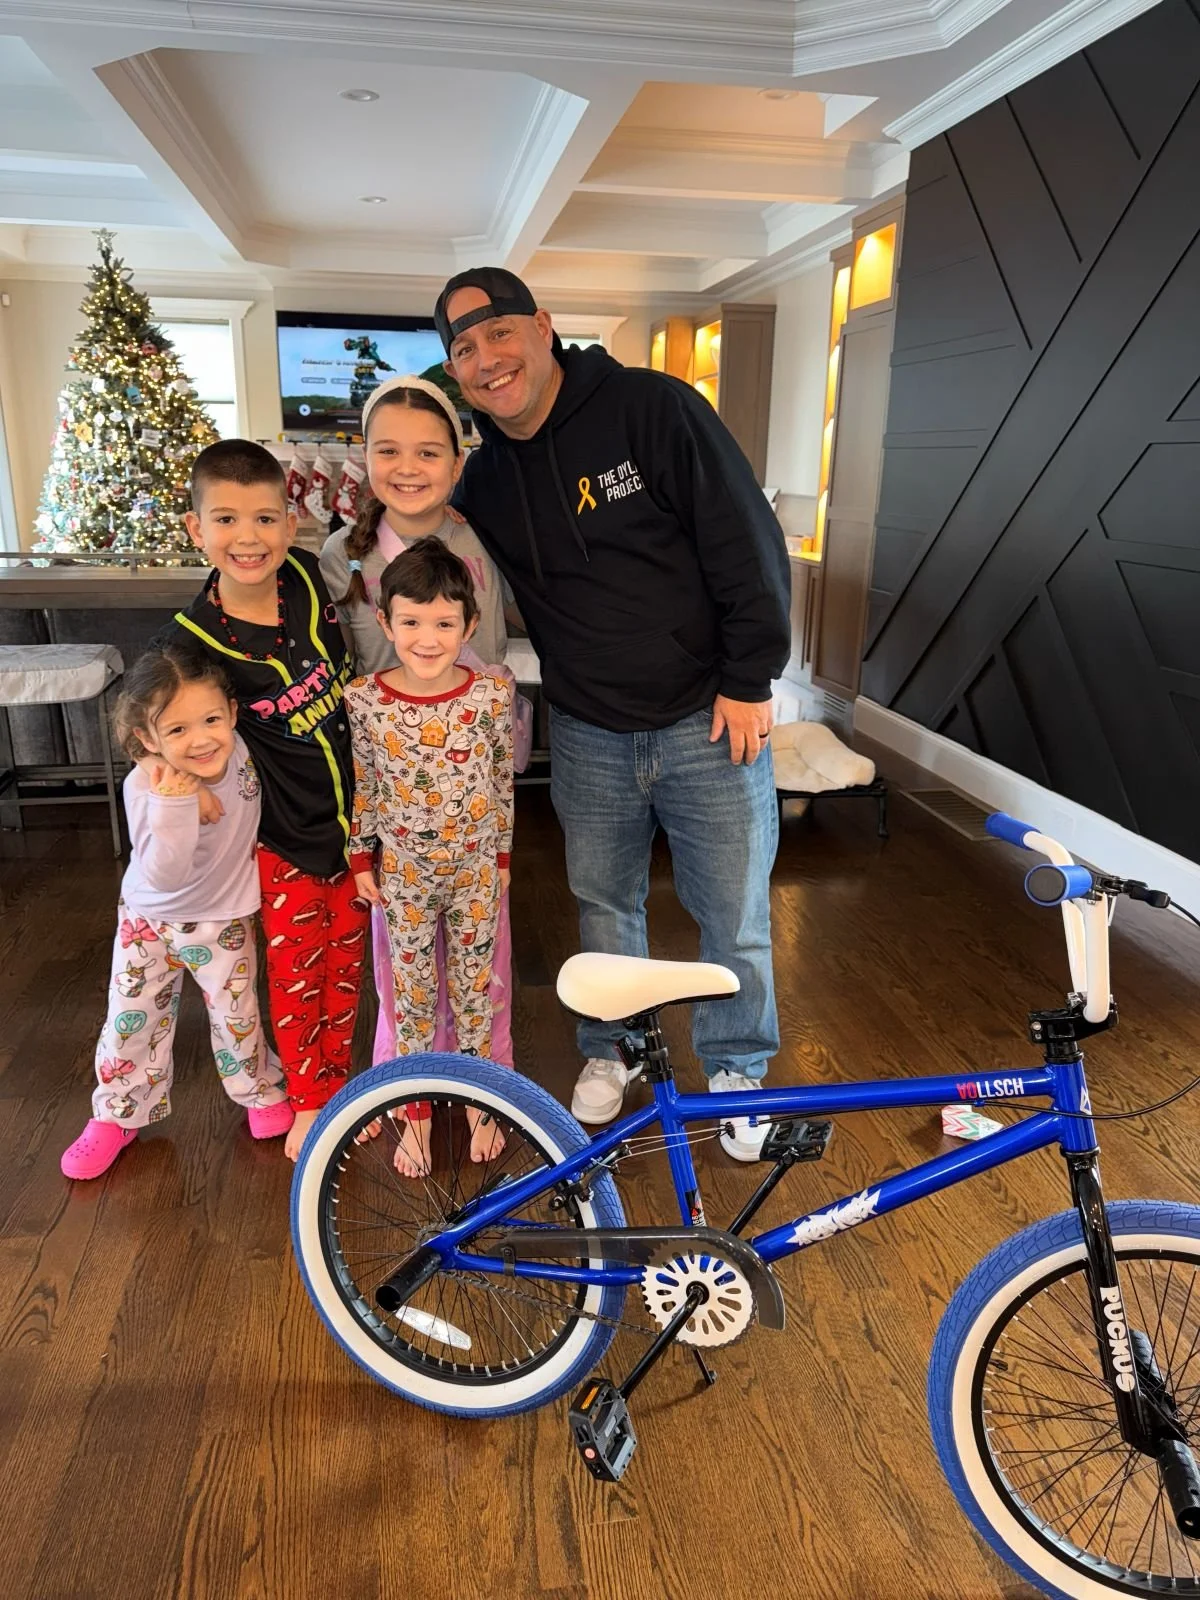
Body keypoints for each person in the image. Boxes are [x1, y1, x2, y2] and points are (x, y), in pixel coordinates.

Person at [436, 267, 791, 1160]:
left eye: (499, 334)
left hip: (709, 717)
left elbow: (745, 540)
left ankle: (739, 1067)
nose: (487, 360)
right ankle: (616, 1048)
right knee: (605, 905)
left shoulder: (653, 410)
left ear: (544, 328)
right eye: (464, 349)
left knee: (734, 910)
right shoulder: (483, 483)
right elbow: (410, 537)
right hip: (588, 729)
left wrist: (750, 678)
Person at [156, 439, 368, 1162]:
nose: (248, 538)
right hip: (282, 836)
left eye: (265, 518)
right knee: (298, 974)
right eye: (226, 519)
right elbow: (159, 727)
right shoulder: (191, 643)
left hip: (362, 826)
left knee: (347, 973)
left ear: (290, 519)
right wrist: (176, 779)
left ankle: (338, 1086)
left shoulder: (308, 576)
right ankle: (309, 1101)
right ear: (196, 529)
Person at [319, 375, 518, 1070]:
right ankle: (398, 1079)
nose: (409, 468)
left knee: (480, 961)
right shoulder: (342, 551)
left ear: (457, 464)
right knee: (397, 961)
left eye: (429, 453)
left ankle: (489, 1077)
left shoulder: (481, 548)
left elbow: (491, 663)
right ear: (364, 457)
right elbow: (340, 668)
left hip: (466, 805)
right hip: (393, 803)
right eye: (389, 450)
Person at [60, 644, 293, 1179]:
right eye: (178, 731)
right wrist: (178, 799)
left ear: (232, 714)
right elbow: (164, 873)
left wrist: (184, 770)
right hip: (149, 919)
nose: (201, 738)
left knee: (237, 1018)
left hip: (225, 916)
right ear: (148, 739)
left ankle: (258, 1092)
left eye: (211, 719)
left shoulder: (241, 750)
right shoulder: (144, 789)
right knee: (129, 1020)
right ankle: (117, 1114)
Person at [346, 537, 513, 1177]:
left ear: (468, 625)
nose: (427, 637)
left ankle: (480, 1104)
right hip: (403, 880)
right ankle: (411, 1117)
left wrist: (500, 860)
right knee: (412, 1000)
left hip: (475, 876)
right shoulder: (365, 700)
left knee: (474, 995)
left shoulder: (491, 697)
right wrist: (362, 860)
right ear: (385, 622)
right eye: (411, 621)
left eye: (445, 623)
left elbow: (500, 783)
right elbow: (363, 786)